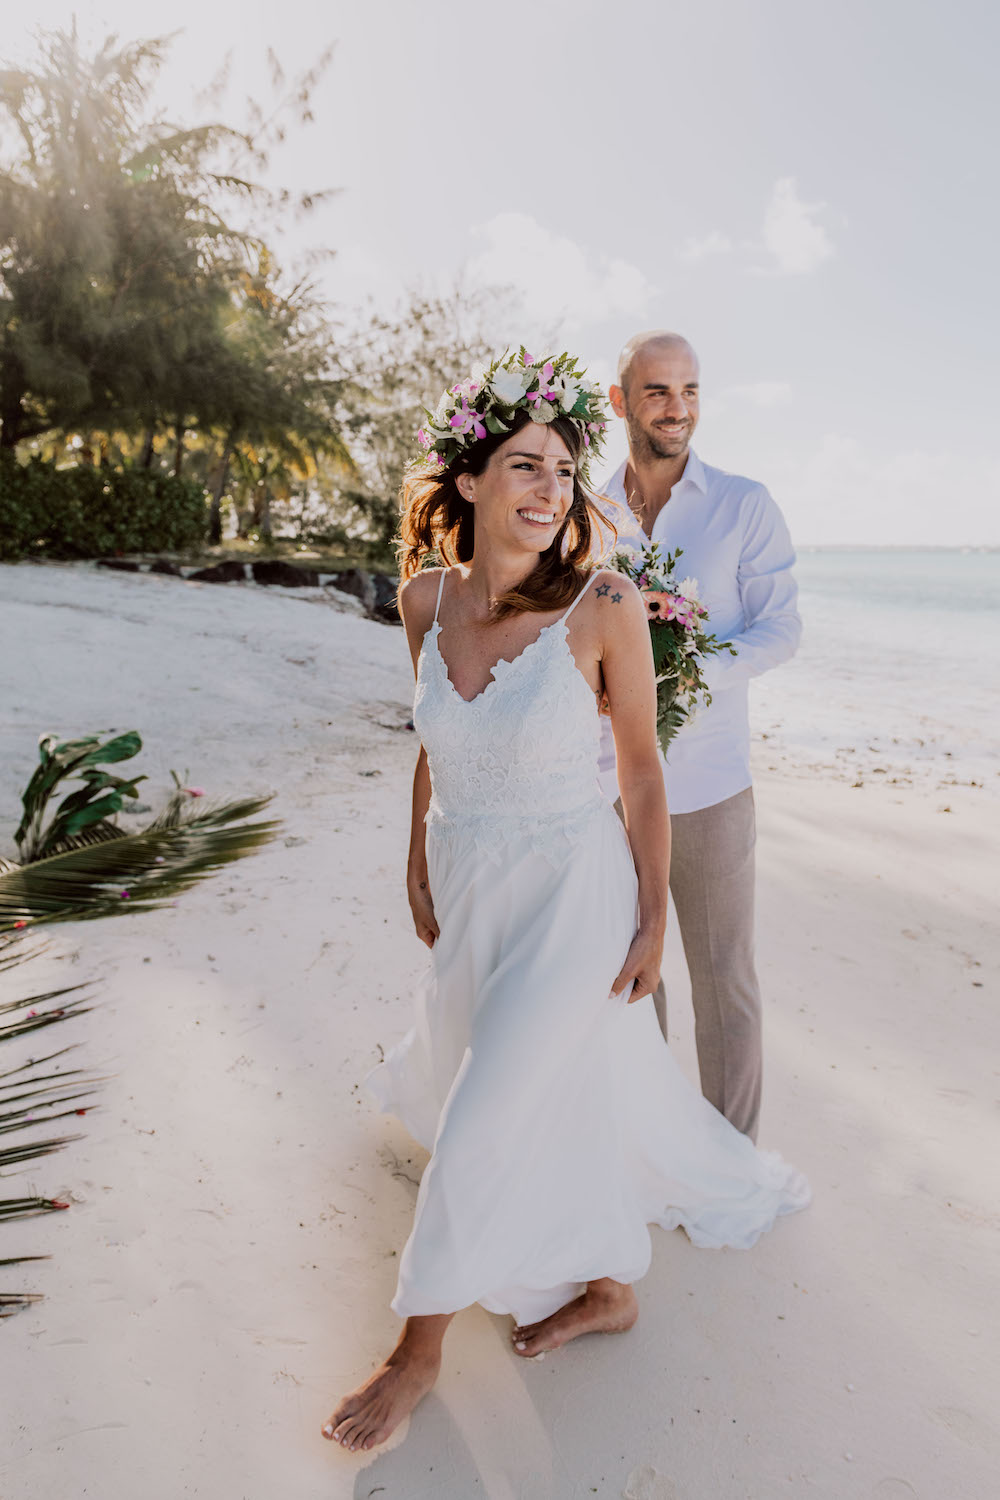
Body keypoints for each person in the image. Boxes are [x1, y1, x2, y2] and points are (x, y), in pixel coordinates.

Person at [322, 352, 809, 1456]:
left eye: (561, 470)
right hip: (469, 879)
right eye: (523, 467)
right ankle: (605, 1284)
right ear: (471, 481)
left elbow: (638, 771)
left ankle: (417, 1349)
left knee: (491, 1107)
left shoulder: (605, 605)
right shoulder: (421, 600)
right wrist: (413, 858)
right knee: (485, 1091)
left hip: (573, 889)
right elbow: (430, 736)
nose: (547, 490)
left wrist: (646, 919)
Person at [600, 331, 802, 1143]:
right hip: (605, 788)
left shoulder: (744, 504)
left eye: (688, 391)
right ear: (621, 402)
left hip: (711, 784)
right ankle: (655, 1142)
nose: (676, 408)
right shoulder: (587, 509)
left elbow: (781, 631)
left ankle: (733, 1154)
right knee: (627, 973)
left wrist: (685, 672)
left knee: (725, 980)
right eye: (656, 391)